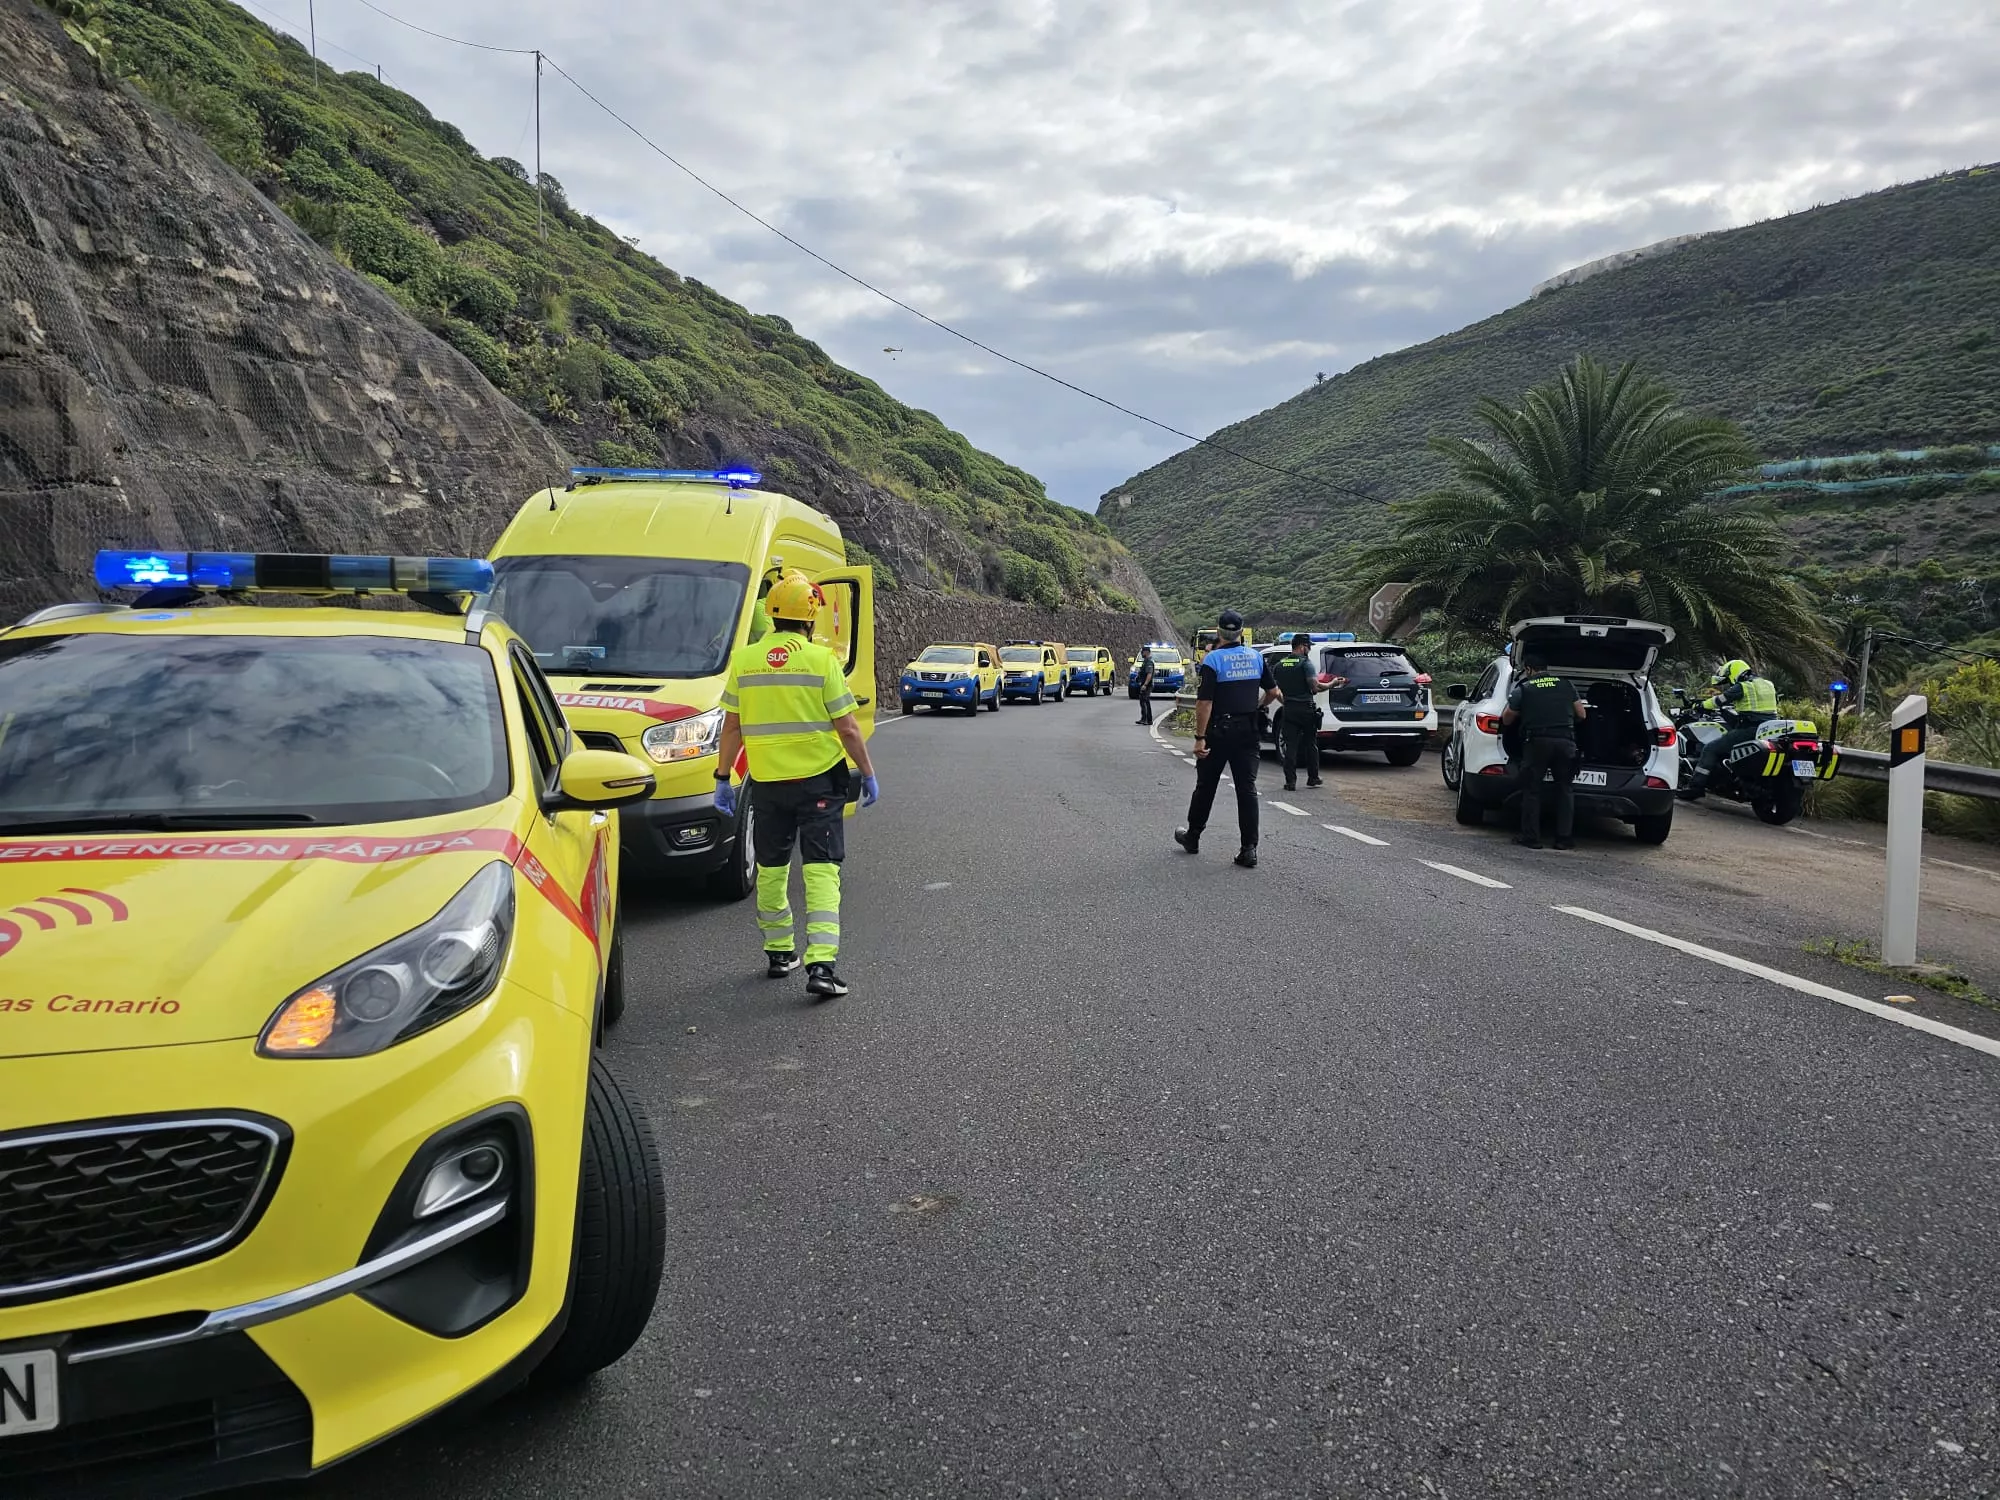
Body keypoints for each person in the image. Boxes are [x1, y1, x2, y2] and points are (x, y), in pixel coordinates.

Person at [714, 571, 879, 1000]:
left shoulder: (746, 661)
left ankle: (778, 952)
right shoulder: (821, 661)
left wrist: (722, 777)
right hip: (819, 783)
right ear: (809, 619)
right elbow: (846, 726)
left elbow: (731, 727)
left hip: (767, 785)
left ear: (771, 616)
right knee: (821, 870)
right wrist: (869, 771)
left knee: (771, 869)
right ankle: (821, 965)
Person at [1175, 609, 1278, 868]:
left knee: (1206, 786)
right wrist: (1258, 706)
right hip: (1248, 731)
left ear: (1219, 631)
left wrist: (1199, 738)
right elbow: (1273, 692)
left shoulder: (1213, 660)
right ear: (1241, 632)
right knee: (1247, 789)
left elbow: (1205, 703)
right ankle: (1249, 849)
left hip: (1218, 732)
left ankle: (1194, 836)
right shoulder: (1255, 657)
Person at [1501, 656, 1587, 849]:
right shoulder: (1566, 685)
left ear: (1529, 669)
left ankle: (1530, 837)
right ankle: (1563, 839)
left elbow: (1507, 720)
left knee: (1532, 789)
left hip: (1537, 743)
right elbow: (1582, 714)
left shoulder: (1524, 688)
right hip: (1566, 742)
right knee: (1565, 789)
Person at [1681, 658, 1780, 799]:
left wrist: (1699, 705)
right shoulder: (1768, 684)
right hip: (1768, 730)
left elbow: (1719, 700)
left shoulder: (1743, 687)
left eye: (1728, 679)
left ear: (1733, 673)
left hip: (1749, 729)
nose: (1729, 683)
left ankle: (1696, 787)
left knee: (1711, 748)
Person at [1270, 632, 1332, 790]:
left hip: (1289, 709)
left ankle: (1290, 781)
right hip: (1306, 709)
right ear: (1302, 646)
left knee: (1291, 746)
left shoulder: (1279, 665)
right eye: (1308, 646)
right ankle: (1313, 777)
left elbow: (1275, 690)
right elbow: (1315, 687)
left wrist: (1287, 702)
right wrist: (1332, 684)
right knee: (1310, 744)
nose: (1309, 649)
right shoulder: (1306, 664)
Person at [1134, 644, 1156, 725]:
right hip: (1144, 683)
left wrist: (1145, 685)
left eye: (1142, 652)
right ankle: (1145, 719)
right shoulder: (1146, 661)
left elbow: (1149, 674)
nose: (1141, 654)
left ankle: (1147, 719)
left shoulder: (1149, 662)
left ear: (1146, 652)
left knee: (1145, 701)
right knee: (1143, 701)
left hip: (1147, 685)